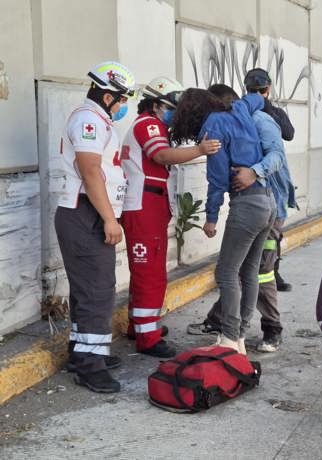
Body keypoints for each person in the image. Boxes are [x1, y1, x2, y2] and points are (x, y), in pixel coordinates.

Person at [186, 83, 297, 352]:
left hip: (248, 205)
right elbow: (254, 98)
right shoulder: (244, 111)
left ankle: (229, 336)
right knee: (249, 271)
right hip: (267, 202)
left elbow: (216, 178)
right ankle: (239, 338)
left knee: (226, 272)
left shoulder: (215, 126)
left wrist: (211, 217)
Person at [120, 77, 221, 358]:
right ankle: (147, 337)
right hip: (143, 206)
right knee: (149, 272)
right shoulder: (148, 124)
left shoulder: (151, 125)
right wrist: (200, 150)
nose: (174, 115)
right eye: (170, 109)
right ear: (156, 105)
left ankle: (140, 325)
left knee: (148, 270)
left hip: (149, 205)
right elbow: (162, 155)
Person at [56, 61, 136, 393]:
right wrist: (109, 218)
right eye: (121, 100)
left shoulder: (96, 120)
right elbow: (90, 171)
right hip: (86, 214)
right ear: (107, 96)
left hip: (86, 214)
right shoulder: (90, 120)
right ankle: (90, 366)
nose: (123, 107)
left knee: (88, 289)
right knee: (98, 290)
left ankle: (82, 352)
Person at [243, 68, 295, 292]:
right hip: (267, 178)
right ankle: (268, 274)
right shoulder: (266, 114)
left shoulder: (242, 111)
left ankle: (269, 271)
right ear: (268, 88)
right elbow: (289, 134)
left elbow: (288, 133)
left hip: (254, 180)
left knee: (266, 233)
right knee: (272, 232)